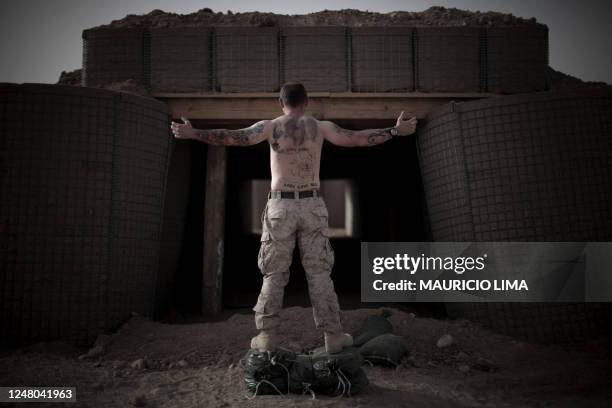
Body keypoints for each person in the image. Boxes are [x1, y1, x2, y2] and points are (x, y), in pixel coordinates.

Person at [170, 82, 417, 353]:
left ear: (281, 103)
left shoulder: (270, 127)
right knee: (320, 273)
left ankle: (265, 338)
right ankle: (333, 336)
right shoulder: (321, 128)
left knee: (273, 274)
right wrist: (395, 131)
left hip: (281, 206)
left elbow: (233, 136)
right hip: (311, 204)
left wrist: (193, 133)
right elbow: (357, 137)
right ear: (306, 101)